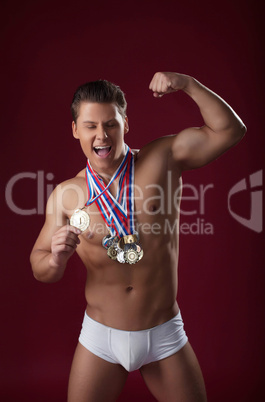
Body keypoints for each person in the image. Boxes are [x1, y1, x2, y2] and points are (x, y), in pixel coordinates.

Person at [30, 71, 246, 402]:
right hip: (101, 336)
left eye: (110, 124)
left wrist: (187, 84)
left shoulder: (163, 159)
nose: (102, 135)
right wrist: (56, 257)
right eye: (90, 126)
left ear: (125, 124)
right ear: (75, 130)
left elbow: (231, 131)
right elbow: (40, 267)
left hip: (163, 333)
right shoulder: (66, 195)